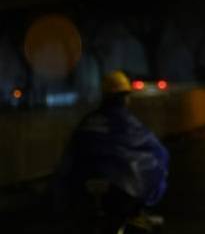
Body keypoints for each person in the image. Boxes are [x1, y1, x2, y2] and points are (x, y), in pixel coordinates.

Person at [56, 69, 169, 222]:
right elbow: (156, 150)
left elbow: (70, 155)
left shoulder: (89, 121)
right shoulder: (128, 123)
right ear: (125, 97)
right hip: (121, 190)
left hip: (84, 189)